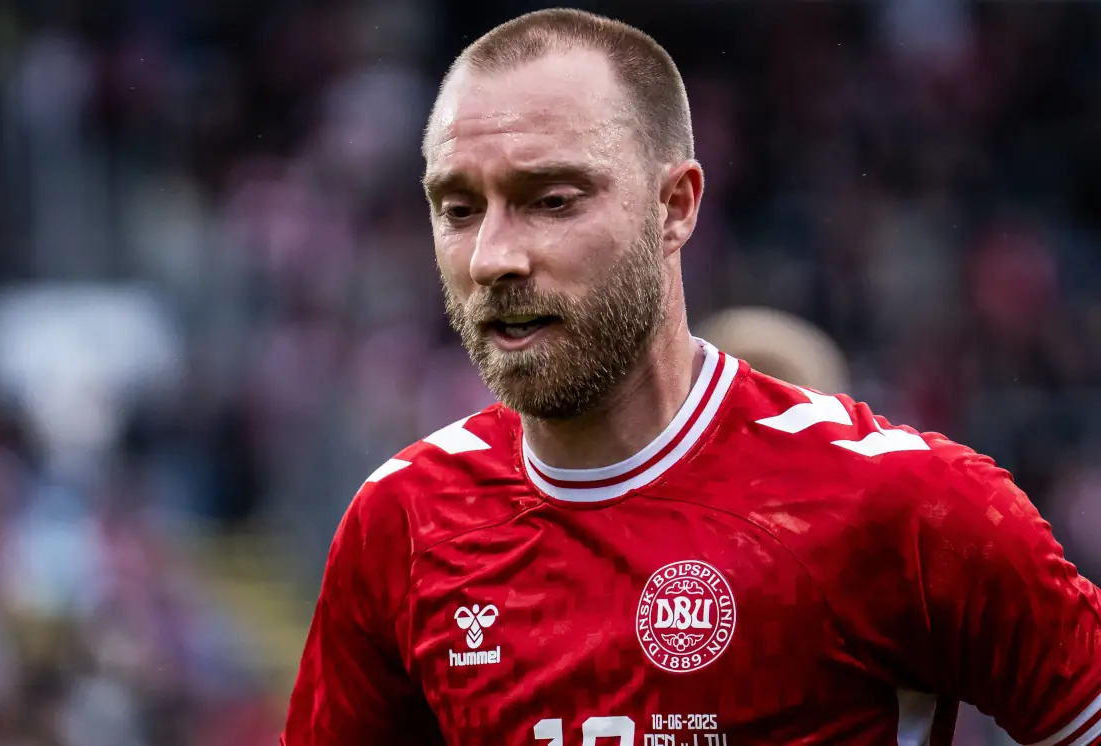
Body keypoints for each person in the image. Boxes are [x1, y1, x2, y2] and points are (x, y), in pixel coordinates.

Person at [281, 8, 1101, 746]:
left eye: (552, 200)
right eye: (459, 209)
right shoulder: (402, 524)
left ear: (674, 207)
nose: (494, 257)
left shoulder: (905, 508)